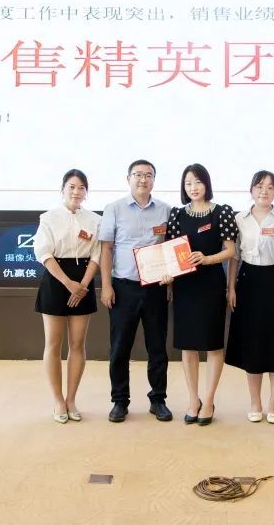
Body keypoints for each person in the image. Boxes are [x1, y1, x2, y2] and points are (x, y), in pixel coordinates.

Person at [225, 170, 274, 424]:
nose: (264, 192)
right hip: (248, 283)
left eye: (270, 188)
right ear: (251, 190)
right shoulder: (239, 219)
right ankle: (255, 402)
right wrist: (231, 288)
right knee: (252, 344)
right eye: (259, 186)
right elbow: (234, 257)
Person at [98, 160, 173, 423]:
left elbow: (170, 249)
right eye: (138, 175)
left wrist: (170, 283)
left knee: (157, 347)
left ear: (154, 180)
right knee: (120, 348)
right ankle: (119, 401)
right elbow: (106, 249)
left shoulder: (166, 210)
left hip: (155, 289)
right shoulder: (114, 209)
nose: (143, 179)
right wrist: (106, 285)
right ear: (128, 178)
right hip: (123, 288)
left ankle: (158, 399)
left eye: (148, 175)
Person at [163, 163, 237, 426]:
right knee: (189, 345)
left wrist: (207, 259)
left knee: (213, 344)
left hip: (211, 284)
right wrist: (168, 278)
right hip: (185, 287)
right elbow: (171, 252)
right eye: (188, 183)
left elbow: (231, 251)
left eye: (197, 182)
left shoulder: (222, 212)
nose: (193, 187)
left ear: (206, 183)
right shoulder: (177, 214)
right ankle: (193, 399)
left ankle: (208, 400)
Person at [34, 169, 101, 424]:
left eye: (81, 187)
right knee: (53, 344)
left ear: (86, 192)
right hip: (56, 279)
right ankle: (57, 400)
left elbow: (96, 255)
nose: (76, 192)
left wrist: (82, 285)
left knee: (77, 344)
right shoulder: (49, 218)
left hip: (83, 280)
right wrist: (68, 283)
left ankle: (71, 399)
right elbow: (44, 253)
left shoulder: (95, 220)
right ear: (62, 189)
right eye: (72, 187)